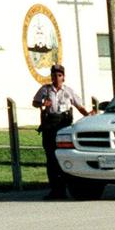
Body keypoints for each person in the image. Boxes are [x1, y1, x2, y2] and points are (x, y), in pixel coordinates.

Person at [31, 63, 89, 200]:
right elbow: (35, 102)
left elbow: (79, 106)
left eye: (59, 75)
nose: (56, 78)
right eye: (54, 75)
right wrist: (42, 104)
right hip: (50, 128)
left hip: (63, 129)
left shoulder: (68, 91)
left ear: (63, 77)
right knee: (51, 159)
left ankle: (68, 189)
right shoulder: (45, 90)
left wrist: (88, 116)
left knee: (64, 158)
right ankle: (56, 190)